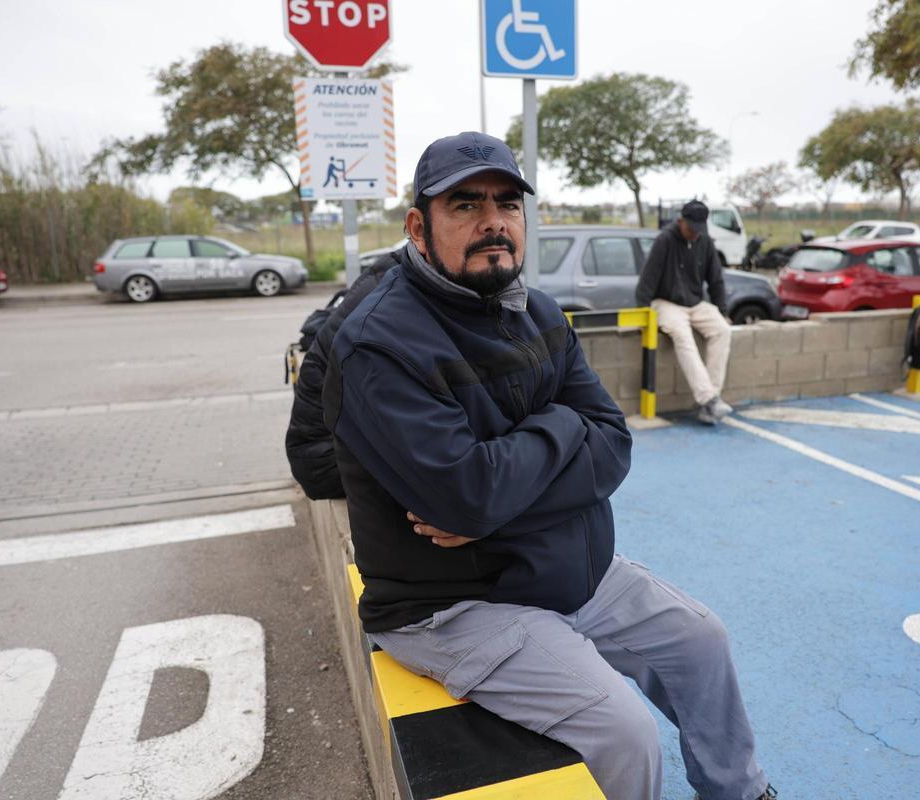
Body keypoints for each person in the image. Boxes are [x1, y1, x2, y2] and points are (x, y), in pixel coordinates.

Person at [322, 131, 774, 800]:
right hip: (450, 602)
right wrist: (564, 429)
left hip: (563, 567)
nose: (492, 222)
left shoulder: (535, 312)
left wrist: (516, 474)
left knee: (701, 642)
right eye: (465, 206)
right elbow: (465, 497)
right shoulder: (379, 342)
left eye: (507, 204)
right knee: (624, 734)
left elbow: (613, 445)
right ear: (419, 226)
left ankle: (739, 792)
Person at [284, 252, 397, 499]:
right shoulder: (396, 292)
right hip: (326, 463)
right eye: (464, 210)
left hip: (321, 454)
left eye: (505, 210)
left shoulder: (391, 273)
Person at [636, 200, 734, 425]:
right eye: (691, 229)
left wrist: (723, 310)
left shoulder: (705, 242)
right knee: (682, 334)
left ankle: (711, 402)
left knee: (722, 330)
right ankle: (708, 399)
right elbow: (646, 281)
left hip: (695, 303)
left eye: (699, 230)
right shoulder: (665, 240)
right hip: (665, 302)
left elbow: (716, 280)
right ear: (681, 221)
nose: (694, 234)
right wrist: (642, 314)